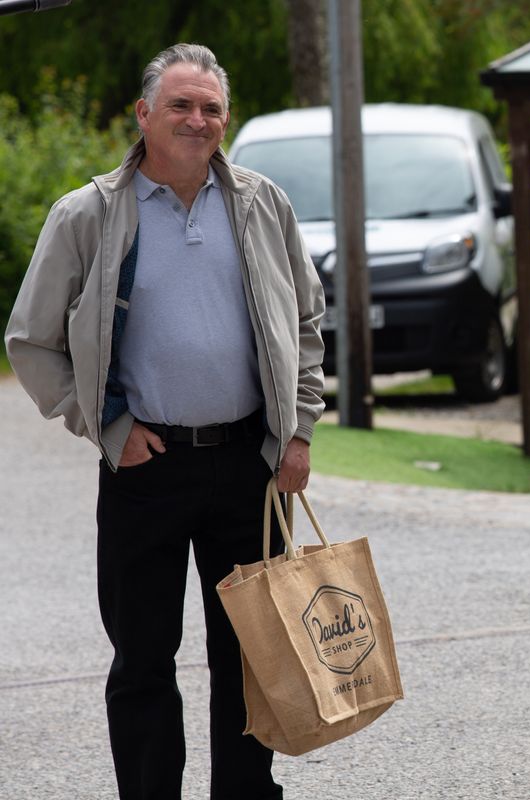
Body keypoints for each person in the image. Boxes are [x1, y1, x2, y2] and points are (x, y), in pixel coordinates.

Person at [4, 43, 325, 799]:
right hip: (144, 469)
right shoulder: (87, 214)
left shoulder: (262, 202)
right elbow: (30, 340)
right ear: (144, 114)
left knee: (253, 657)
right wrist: (107, 427)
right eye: (181, 104)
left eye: (211, 107)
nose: (198, 119)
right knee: (144, 659)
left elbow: (309, 320)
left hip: (250, 463)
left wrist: (299, 428)